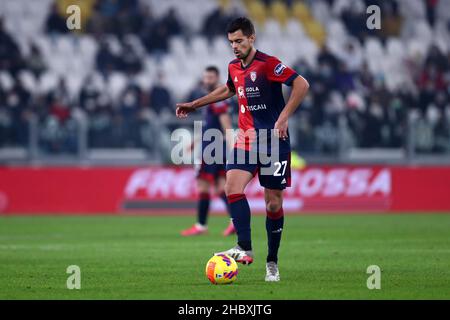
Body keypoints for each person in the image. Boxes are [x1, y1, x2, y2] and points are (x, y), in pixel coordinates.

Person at [176, 17, 309, 281]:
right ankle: (244, 246)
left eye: (239, 41)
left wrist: (282, 118)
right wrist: (195, 103)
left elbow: (301, 84)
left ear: (251, 38)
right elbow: (228, 89)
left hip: (273, 140)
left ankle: (272, 262)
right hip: (246, 139)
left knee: (273, 204)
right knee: (231, 187)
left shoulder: (268, 63)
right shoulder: (233, 67)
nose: (235, 46)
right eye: (231, 42)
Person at [181, 66, 236, 237]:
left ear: (217, 77)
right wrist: (196, 141)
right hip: (211, 147)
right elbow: (209, 124)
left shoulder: (218, 99)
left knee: (203, 186)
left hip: (211, 151)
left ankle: (201, 225)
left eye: (211, 77)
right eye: (205, 77)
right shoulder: (211, 99)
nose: (207, 80)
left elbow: (226, 124)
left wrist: (234, 147)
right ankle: (235, 221)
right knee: (221, 187)